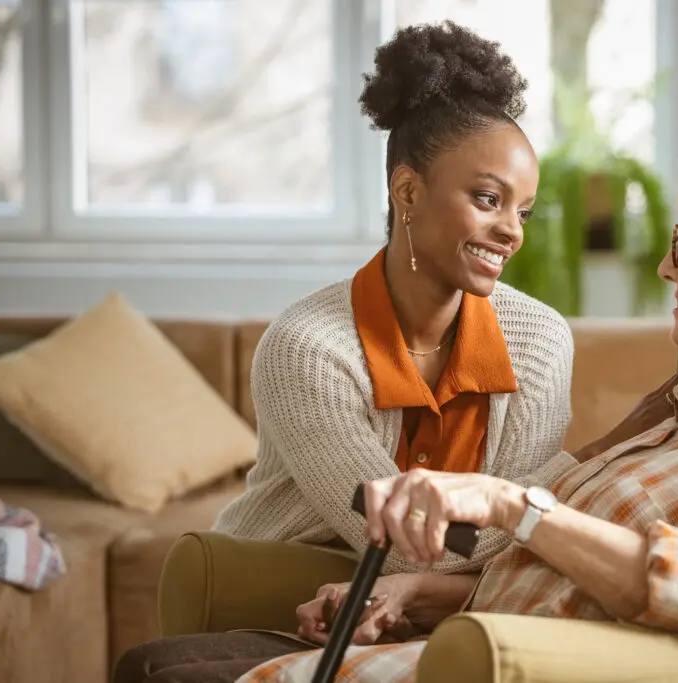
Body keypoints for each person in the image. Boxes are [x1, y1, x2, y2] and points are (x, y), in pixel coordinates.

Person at [234, 138, 678, 683]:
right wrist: (428, 596)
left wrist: (510, 504)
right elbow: (577, 592)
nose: (666, 272)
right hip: (467, 645)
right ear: (406, 193)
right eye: (487, 199)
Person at [113, 20, 576, 683]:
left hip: (442, 609)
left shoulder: (540, 342)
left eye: (523, 211)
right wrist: (557, 488)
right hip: (286, 589)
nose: (511, 231)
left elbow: (512, 531)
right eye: (487, 199)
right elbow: (417, 541)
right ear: (408, 192)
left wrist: (533, 508)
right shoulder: (307, 347)